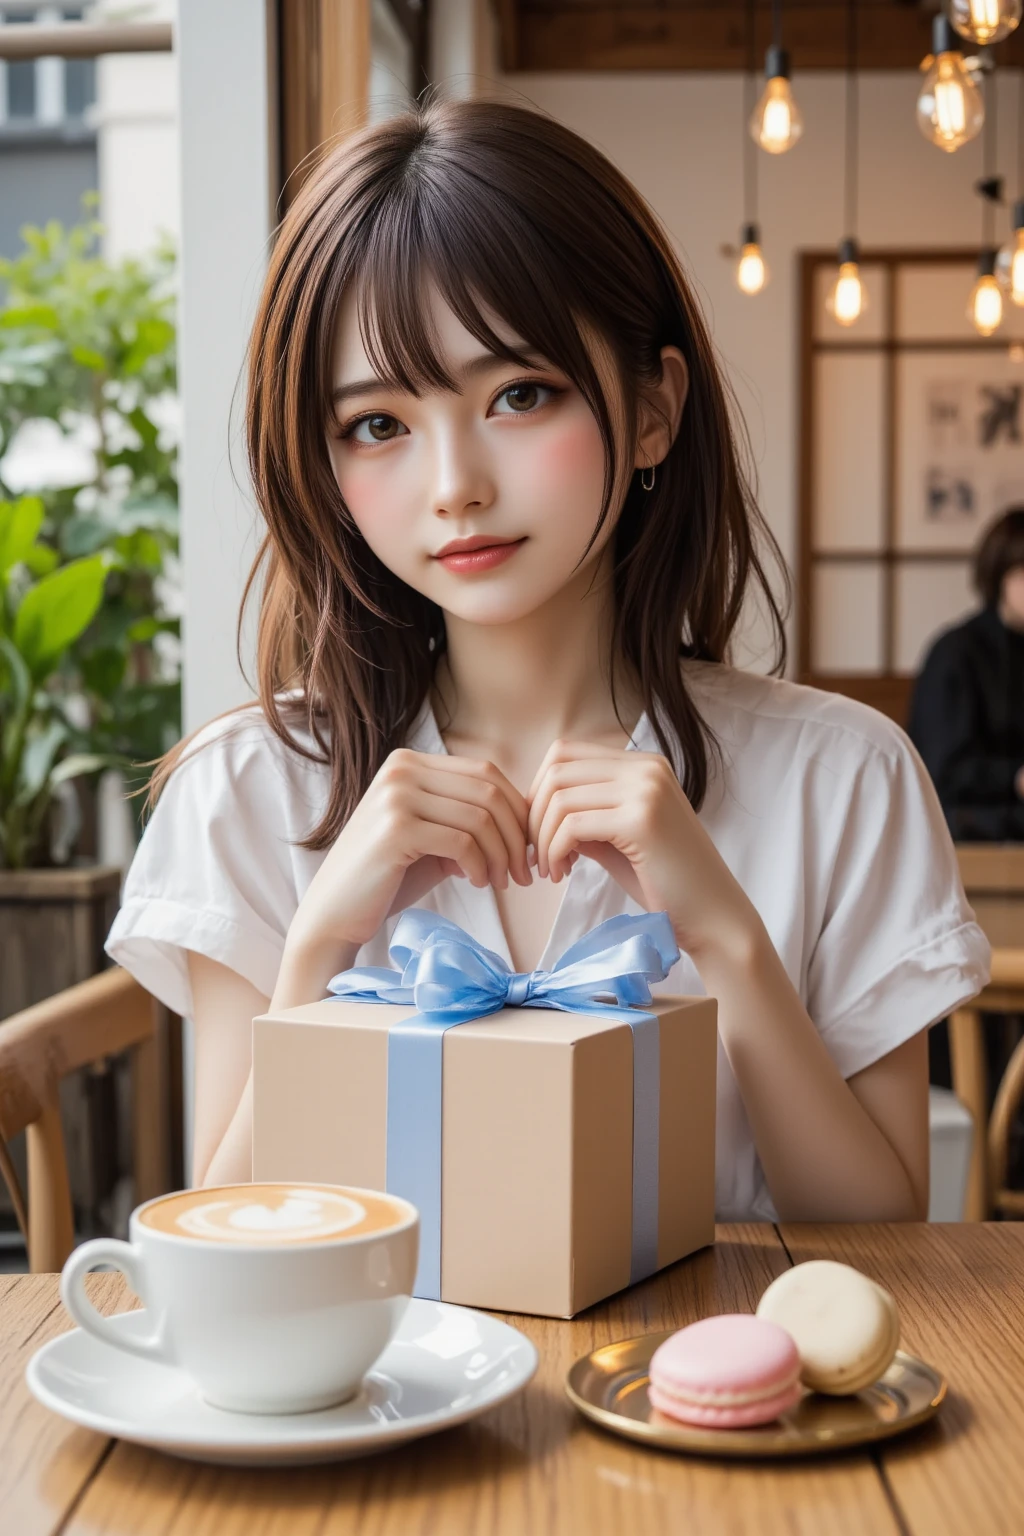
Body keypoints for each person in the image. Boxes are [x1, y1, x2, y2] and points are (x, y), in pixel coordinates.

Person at [105, 100, 989, 1223]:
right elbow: (226, 1247)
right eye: (377, 424)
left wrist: (724, 936)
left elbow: (884, 1246)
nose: (454, 483)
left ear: (655, 407)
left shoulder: (846, 781)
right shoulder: (250, 790)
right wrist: (319, 948)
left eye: (519, 395)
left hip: (689, 1398)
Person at [909, 507, 1024, 841]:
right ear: (1000, 574)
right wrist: (1015, 777)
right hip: (970, 826)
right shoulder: (956, 652)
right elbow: (942, 769)